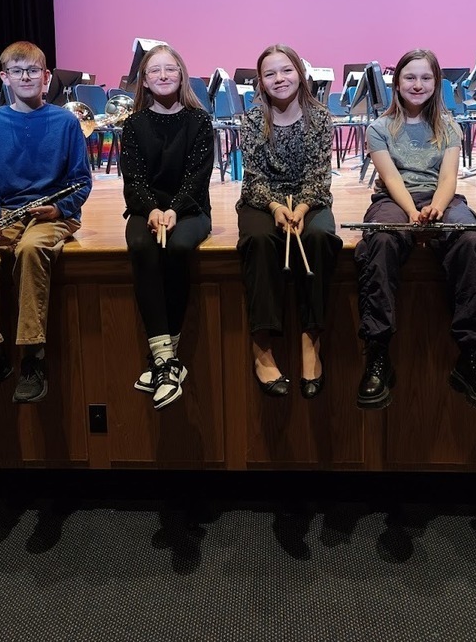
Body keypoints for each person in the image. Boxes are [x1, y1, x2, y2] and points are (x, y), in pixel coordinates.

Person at [354, 49, 476, 412]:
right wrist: (412, 213)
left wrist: (437, 207)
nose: (417, 84)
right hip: (395, 198)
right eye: (410, 77)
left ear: (437, 83)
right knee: (382, 241)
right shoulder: (378, 129)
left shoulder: (449, 125)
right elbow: (390, 179)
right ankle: (378, 352)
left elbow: (449, 178)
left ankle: (471, 355)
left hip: (442, 196)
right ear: (397, 83)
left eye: (425, 78)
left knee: (471, 239)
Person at [0, 41, 92, 403]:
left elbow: (81, 180)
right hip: (7, 212)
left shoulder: (65, 121)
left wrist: (61, 208)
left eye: (33, 71)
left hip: (55, 214)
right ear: (5, 77)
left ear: (46, 76)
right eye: (17, 71)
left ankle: (33, 356)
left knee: (33, 249)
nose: (26, 77)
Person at [236, 43, 343, 399]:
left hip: (308, 199)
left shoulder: (321, 116)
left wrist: (302, 207)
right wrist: (275, 207)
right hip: (263, 200)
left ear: (300, 73)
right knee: (260, 242)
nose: (279, 79)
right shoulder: (252, 119)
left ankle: (311, 340)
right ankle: (262, 348)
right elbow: (253, 177)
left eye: (286, 70)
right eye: (270, 74)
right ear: (261, 82)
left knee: (320, 238)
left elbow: (318, 174)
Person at [119, 45, 214, 410]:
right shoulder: (135, 123)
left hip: (190, 211)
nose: (162, 76)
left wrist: (174, 209)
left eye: (169, 69)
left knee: (176, 248)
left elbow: (196, 178)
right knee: (143, 246)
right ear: (144, 79)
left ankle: (160, 360)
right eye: (154, 71)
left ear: (181, 74)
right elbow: (135, 180)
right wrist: (153, 210)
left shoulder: (199, 121)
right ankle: (167, 361)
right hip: (148, 211)